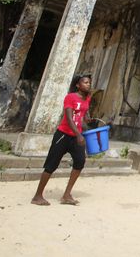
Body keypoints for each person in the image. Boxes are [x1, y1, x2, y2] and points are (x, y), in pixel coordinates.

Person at [31, 74, 93, 206]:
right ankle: (37, 196)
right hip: (63, 135)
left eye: (89, 83)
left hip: (76, 137)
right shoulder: (70, 97)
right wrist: (79, 135)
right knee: (51, 165)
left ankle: (66, 195)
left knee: (80, 162)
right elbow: (69, 118)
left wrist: (87, 119)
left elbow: (84, 112)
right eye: (85, 82)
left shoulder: (87, 98)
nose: (88, 84)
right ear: (78, 85)